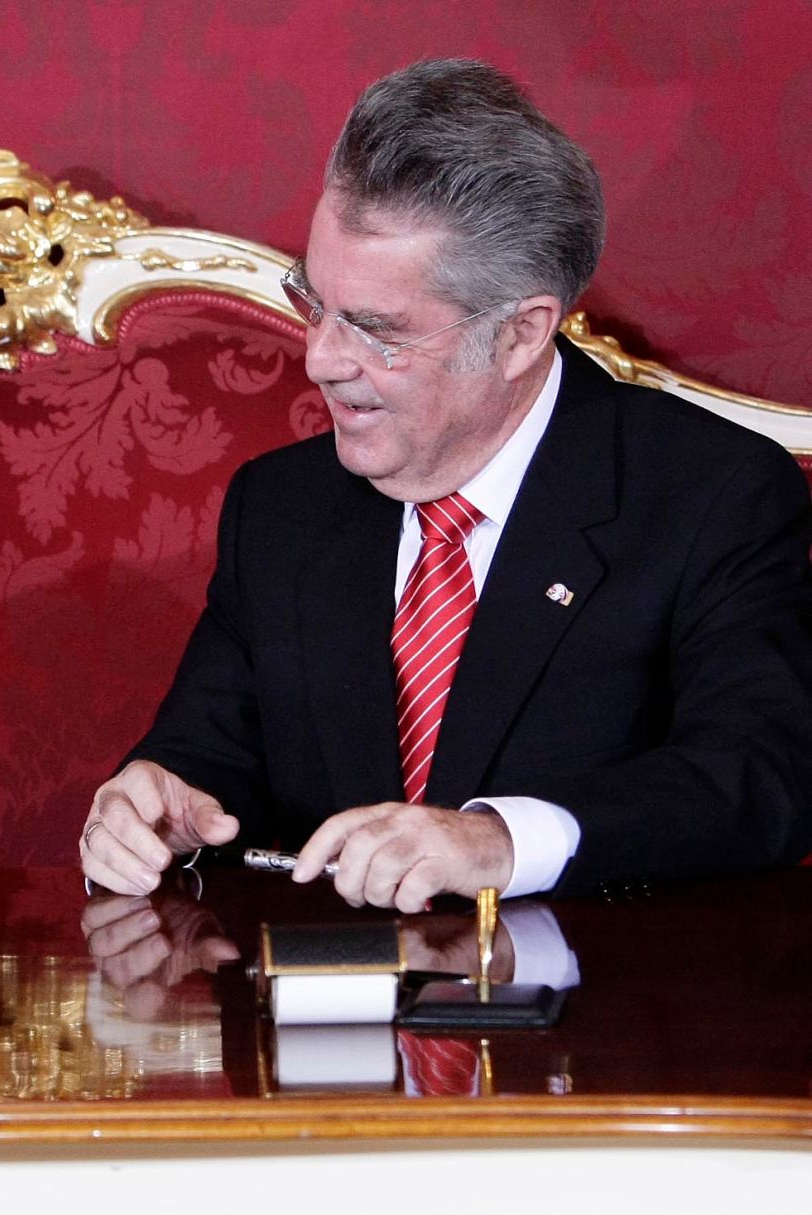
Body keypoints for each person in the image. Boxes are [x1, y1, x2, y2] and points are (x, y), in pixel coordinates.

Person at [80, 59, 812, 911]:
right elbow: (210, 758)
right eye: (314, 302)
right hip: (332, 1023)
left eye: (377, 330)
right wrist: (156, 798)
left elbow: (759, 779)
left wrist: (497, 841)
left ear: (519, 335)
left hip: (594, 1016)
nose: (321, 359)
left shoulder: (709, 496)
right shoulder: (280, 508)